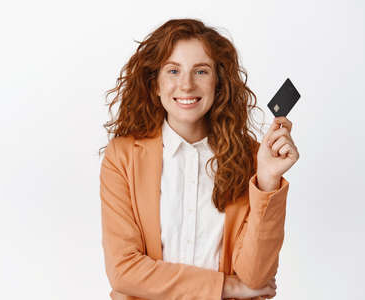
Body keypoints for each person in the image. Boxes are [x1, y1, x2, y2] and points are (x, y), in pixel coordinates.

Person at [99, 18, 299, 300]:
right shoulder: (122, 157)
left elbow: (255, 277)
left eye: (201, 72)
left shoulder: (251, 158)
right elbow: (124, 270)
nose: (186, 85)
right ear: (155, 84)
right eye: (173, 70)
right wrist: (227, 287)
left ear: (218, 84)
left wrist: (267, 181)